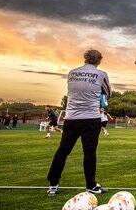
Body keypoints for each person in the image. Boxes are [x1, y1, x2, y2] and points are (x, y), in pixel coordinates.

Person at [46, 49, 111, 197]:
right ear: (99, 60)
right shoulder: (101, 74)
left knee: (63, 151)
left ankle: (53, 184)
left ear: (85, 59)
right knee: (89, 152)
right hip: (90, 118)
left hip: (71, 118)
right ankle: (91, 185)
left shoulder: (72, 73)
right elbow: (108, 93)